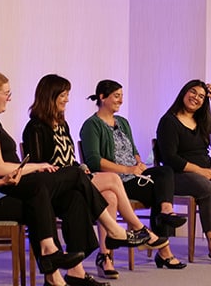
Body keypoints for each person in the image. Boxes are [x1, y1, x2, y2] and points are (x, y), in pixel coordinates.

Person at [0, 70, 147, 286]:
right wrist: (38, 165)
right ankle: (114, 230)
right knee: (88, 178)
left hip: (35, 182)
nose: (9, 99)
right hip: (21, 185)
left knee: (75, 197)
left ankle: (74, 272)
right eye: (6, 94)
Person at [23, 74, 183, 278]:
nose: (67, 99)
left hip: (73, 177)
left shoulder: (62, 124)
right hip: (56, 184)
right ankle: (138, 229)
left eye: (67, 95)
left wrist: (81, 168)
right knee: (113, 180)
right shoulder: (36, 127)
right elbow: (39, 166)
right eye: (63, 95)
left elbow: (69, 158)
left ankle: (105, 257)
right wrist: (118, 170)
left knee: (112, 196)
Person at [79, 79, 188, 271]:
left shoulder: (123, 122)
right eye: (116, 96)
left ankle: (165, 212)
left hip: (135, 175)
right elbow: (95, 161)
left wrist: (138, 163)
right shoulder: (91, 125)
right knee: (157, 190)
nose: (121, 100)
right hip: (116, 180)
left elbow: (134, 150)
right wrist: (128, 170)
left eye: (122, 96)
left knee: (164, 174)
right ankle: (164, 251)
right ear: (103, 97)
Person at [0, 146, 86, 286]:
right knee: (35, 203)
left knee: (38, 199)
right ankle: (52, 270)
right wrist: (0, 182)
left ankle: (52, 268)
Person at [155, 79, 211, 263]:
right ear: (184, 92)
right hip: (178, 174)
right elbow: (169, 158)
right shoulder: (168, 121)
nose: (196, 98)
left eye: (201, 96)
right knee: (208, 190)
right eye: (193, 92)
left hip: (205, 170)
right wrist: (198, 170)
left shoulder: (202, 120)